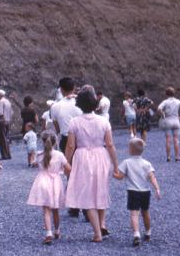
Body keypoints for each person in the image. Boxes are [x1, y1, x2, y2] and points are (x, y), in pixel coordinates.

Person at [64, 85, 120, 243]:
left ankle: (97, 233)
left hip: (82, 157)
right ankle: (102, 223)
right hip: (101, 156)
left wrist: (66, 163)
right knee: (101, 190)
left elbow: (70, 146)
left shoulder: (74, 122)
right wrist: (115, 165)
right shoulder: (103, 121)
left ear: (79, 104)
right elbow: (110, 144)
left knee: (86, 195)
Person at [113, 138, 162, 247]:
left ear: (130, 149)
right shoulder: (147, 163)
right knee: (145, 212)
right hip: (145, 192)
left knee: (134, 214)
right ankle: (148, 232)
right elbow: (152, 177)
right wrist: (157, 189)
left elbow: (120, 177)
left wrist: (112, 173)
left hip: (133, 192)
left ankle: (136, 234)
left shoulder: (126, 162)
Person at [27, 131, 71, 245]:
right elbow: (68, 169)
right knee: (55, 209)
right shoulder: (59, 155)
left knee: (46, 210)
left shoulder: (39, 154)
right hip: (55, 181)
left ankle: (48, 233)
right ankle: (57, 231)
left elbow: (34, 163)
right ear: (55, 141)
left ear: (42, 141)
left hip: (42, 181)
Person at [50, 77, 82, 217]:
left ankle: (74, 206)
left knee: (70, 172)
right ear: (74, 87)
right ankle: (88, 208)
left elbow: (56, 125)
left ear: (60, 89)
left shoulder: (55, 106)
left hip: (65, 138)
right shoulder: (81, 102)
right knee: (83, 171)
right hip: (82, 139)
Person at [157, 87, 180, 162]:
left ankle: (168, 157)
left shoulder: (165, 101)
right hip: (176, 121)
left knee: (168, 140)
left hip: (168, 120)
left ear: (166, 94)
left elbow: (159, 108)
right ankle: (177, 157)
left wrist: (163, 114)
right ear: (174, 93)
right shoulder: (178, 101)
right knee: (176, 139)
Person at [0, 89, 13, 160]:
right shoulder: (8, 101)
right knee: (6, 138)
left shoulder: (1, 102)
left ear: (0, 95)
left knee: (2, 139)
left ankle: (4, 155)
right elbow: (11, 112)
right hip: (8, 121)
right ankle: (8, 154)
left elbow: (0, 113)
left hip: (1, 122)